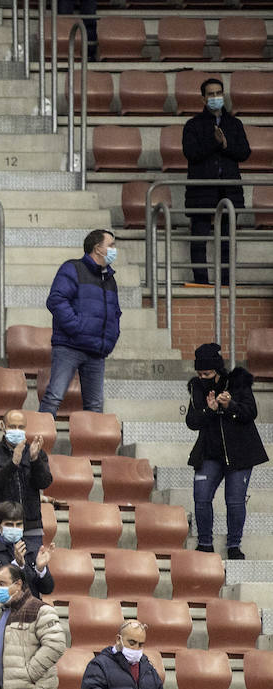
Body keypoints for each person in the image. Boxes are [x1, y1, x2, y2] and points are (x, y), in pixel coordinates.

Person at [185, 342, 266, 560]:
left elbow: (251, 412)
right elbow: (192, 421)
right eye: (200, 373)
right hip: (210, 452)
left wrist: (230, 406)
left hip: (240, 452)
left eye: (208, 373)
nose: (203, 377)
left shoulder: (238, 382)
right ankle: (204, 544)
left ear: (218, 370)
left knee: (235, 500)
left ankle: (234, 545)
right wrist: (209, 410)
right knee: (201, 496)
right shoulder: (196, 388)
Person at [39, 229, 120, 417]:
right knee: (54, 397)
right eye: (111, 245)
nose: (114, 249)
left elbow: (115, 312)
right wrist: (77, 327)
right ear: (98, 248)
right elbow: (56, 300)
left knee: (95, 406)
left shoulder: (109, 278)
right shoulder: (72, 268)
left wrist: (111, 337)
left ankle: (93, 447)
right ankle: (37, 444)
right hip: (70, 347)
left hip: (96, 351)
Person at [183, 77, 250, 288]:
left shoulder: (234, 124)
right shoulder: (193, 125)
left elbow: (244, 152)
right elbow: (191, 154)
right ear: (203, 98)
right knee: (199, 238)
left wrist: (225, 145)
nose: (215, 97)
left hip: (229, 190)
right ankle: (201, 282)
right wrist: (215, 142)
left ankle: (226, 282)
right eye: (211, 94)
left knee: (227, 241)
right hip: (201, 191)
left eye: (218, 93)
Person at [0, 501, 55, 647]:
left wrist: (40, 569)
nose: (15, 528)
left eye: (19, 524)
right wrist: (17, 565)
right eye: (9, 525)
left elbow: (47, 588)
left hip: (29, 622)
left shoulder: (32, 549)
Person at [0, 409, 53, 552]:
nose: (17, 430)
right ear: (3, 427)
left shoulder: (36, 451)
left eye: (21, 427)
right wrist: (13, 464)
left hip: (30, 527)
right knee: (1, 571)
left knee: (32, 571)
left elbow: (44, 482)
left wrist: (35, 460)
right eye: (12, 427)